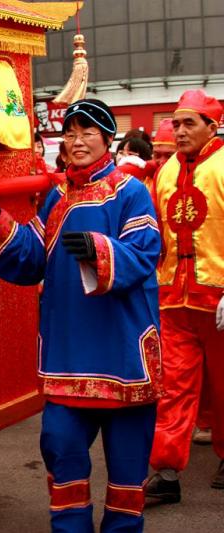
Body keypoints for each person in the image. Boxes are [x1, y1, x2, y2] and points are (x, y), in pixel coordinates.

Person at [0, 99, 162, 532]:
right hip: (67, 356)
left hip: (122, 356)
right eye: (70, 132)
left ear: (106, 139)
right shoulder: (57, 197)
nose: (77, 141)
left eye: (87, 132)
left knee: (126, 480)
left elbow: (146, 254)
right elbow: (31, 259)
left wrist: (102, 252)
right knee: (61, 456)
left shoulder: (131, 192)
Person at [146, 89, 224, 502]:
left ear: (212, 127)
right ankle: (167, 470)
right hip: (174, 297)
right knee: (172, 385)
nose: (178, 132)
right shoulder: (167, 171)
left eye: (188, 123)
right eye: (175, 123)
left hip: (218, 297)